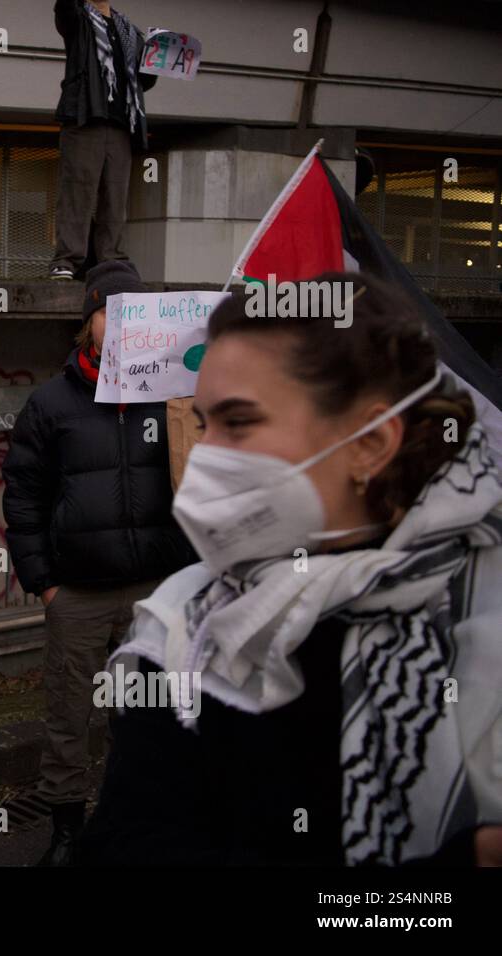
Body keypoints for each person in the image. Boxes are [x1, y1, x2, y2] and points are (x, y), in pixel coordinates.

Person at [76, 273, 502, 866]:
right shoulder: (187, 630)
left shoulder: (487, 608)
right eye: (205, 425)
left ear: (372, 444)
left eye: (240, 423)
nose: (207, 455)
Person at [2, 258, 195, 866]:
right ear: (90, 322)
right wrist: (45, 584)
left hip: (157, 592)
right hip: (78, 595)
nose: (123, 324)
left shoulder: (174, 398)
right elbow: (23, 495)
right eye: (113, 311)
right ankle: (65, 834)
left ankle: (131, 827)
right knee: (68, 719)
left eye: (136, 314)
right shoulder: (51, 403)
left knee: (144, 719)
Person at [49, 0, 157, 280]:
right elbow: (64, 11)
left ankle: (112, 261)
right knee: (77, 192)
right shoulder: (77, 16)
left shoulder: (129, 31)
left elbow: (143, 79)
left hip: (121, 123)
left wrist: (159, 57)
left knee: (115, 196)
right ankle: (67, 260)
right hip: (85, 117)